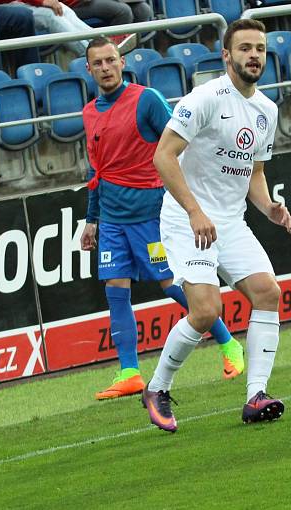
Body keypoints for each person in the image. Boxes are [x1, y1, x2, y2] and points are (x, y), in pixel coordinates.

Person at [143, 18, 290, 433]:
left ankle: (255, 396)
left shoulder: (267, 110)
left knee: (267, 293)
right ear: (226, 55)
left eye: (259, 49)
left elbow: (255, 173)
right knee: (207, 311)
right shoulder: (204, 98)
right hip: (186, 217)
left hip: (229, 219)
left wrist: (270, 207)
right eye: (244, 48)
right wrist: (193, 210)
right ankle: (157, 388)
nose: (254, 56)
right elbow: (163, 157)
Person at [80, 36, 245, 401]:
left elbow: (181, 146)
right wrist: (91, 219)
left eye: (111, 60)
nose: (106, 68)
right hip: (111, 220)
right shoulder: (89, 112)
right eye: (98, 63)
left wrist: (191, 200)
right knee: (115, 292)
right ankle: (129, 374)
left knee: (171, 284)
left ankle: (229, 344)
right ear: (88, 69)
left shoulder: (146, 100)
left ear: (122, 62)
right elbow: (97, 169)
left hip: (150, 214)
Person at [0, 0, 92, 56]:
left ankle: (100, 43)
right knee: (51, 15)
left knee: (63, 9)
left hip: (14, 2)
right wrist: (41, 1)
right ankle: (89, 55)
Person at [65, 0, 152, 28]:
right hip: (75, 5)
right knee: (123, 11)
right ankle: (113, 53)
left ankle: (131, 51)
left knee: (143, 10)